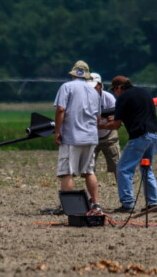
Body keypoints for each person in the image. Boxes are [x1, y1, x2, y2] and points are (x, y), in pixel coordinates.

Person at [98, 76, 157, 213]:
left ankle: (127, 203)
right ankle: (154, 202)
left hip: (140, 136)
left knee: (123, 168)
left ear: (119, 87)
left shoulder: (123, 97)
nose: (115, 93)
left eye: (115, 90)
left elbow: (116, 125)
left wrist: (99, 126)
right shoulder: (144, 92)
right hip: (155, 135)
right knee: (146, 169)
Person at [52, 60, 102, 214]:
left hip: (72, 137)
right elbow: (98, 118)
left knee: (68, 172)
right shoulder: (94, 91)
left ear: (73, 73)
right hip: (91, 137)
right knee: (89, 171)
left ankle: (67, 206)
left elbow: (61, 110)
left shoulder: (66, 87)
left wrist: (57, 132)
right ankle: (95, 204)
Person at [87, 72, 121, 183]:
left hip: (109, 136)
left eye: (94, 87)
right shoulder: (84, 99)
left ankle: (124, 193)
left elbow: (118, 117)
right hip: (91, 137)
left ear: (100, 85)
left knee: (118, 166)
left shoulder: (109, 98)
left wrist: (113, 118)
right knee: (88, 169)